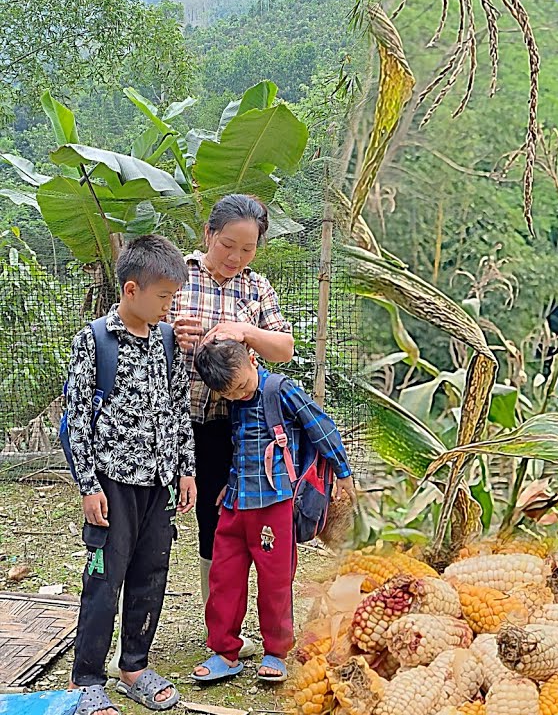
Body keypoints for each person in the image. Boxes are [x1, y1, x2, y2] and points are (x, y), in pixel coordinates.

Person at [63, 235, 197, 715]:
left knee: (151, 575)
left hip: (159, 483)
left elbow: (178, 407)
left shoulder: (166, 342)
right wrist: (88, 486)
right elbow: (77, 418)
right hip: (113, 485)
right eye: (163, 297)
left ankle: (135, 666)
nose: (169, 306)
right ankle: (88, 679)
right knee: (104, 577)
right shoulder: (94, 341)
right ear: (132, 289)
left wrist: (185, 470)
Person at [167, 193, 295, 659]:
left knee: (228, 521)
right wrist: (170, 334)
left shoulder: (256, 288)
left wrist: (245, 332)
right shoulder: (177, 275)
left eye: (247, 248)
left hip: (236, 427)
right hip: (178, 423)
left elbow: (284, 348)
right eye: (227, 245)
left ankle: (231, 629)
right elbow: (137, 329)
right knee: (187, 521)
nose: (236, 257)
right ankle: (211, 627)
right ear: (208, 235)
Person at [187, 337, 355, 683]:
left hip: (275, 503)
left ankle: (276, 651)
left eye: (242, 387)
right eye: (229, 394)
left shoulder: (280, 389)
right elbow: (238, 446)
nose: (238, 396)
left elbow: (321, 427)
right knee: (223, 578)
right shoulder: (234, 396)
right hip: (235, 504)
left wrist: (343, 473)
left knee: (275, 581)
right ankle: (224, 651)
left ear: (252, 359)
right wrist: (228, 483)